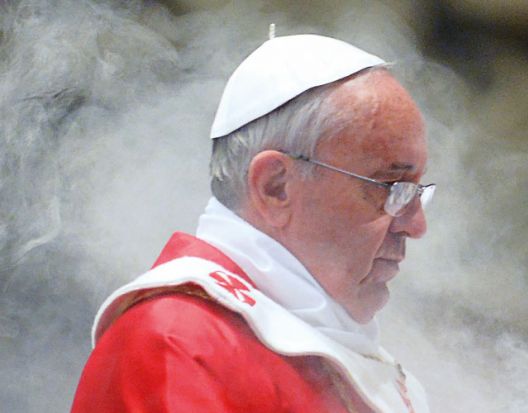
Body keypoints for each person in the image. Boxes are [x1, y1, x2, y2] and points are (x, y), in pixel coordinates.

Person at [71, 33, 434, 413]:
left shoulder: (355, 358)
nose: (416, 225)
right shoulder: (179, 340)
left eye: (415, 193)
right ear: (275, 187)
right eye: (391, 188)